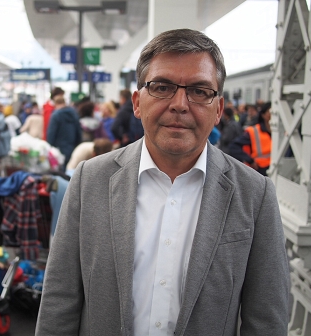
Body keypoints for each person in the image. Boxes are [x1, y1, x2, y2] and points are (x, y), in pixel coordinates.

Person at [36, 29, 289, 335]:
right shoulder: (90, 180)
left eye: (200, 91)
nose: (180, 103)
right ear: (137, 102)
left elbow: (267, 319)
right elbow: (59, 301)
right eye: (162, 87)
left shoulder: (255, 194)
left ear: (219, 109)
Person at [229, 102, 272, 176]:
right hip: (260, 172)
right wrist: (250, 160)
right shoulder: (254, 131)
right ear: (264, 115)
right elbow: (233, 146)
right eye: (270, 112)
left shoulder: (282, 132)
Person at [46, 96, 82, 170]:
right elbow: (79, 130)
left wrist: (49, 146)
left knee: (61, 170)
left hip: (59, 147)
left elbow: (51, 133)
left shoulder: (55, 115)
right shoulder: (74, 113)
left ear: (55, 103)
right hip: (72, 146)